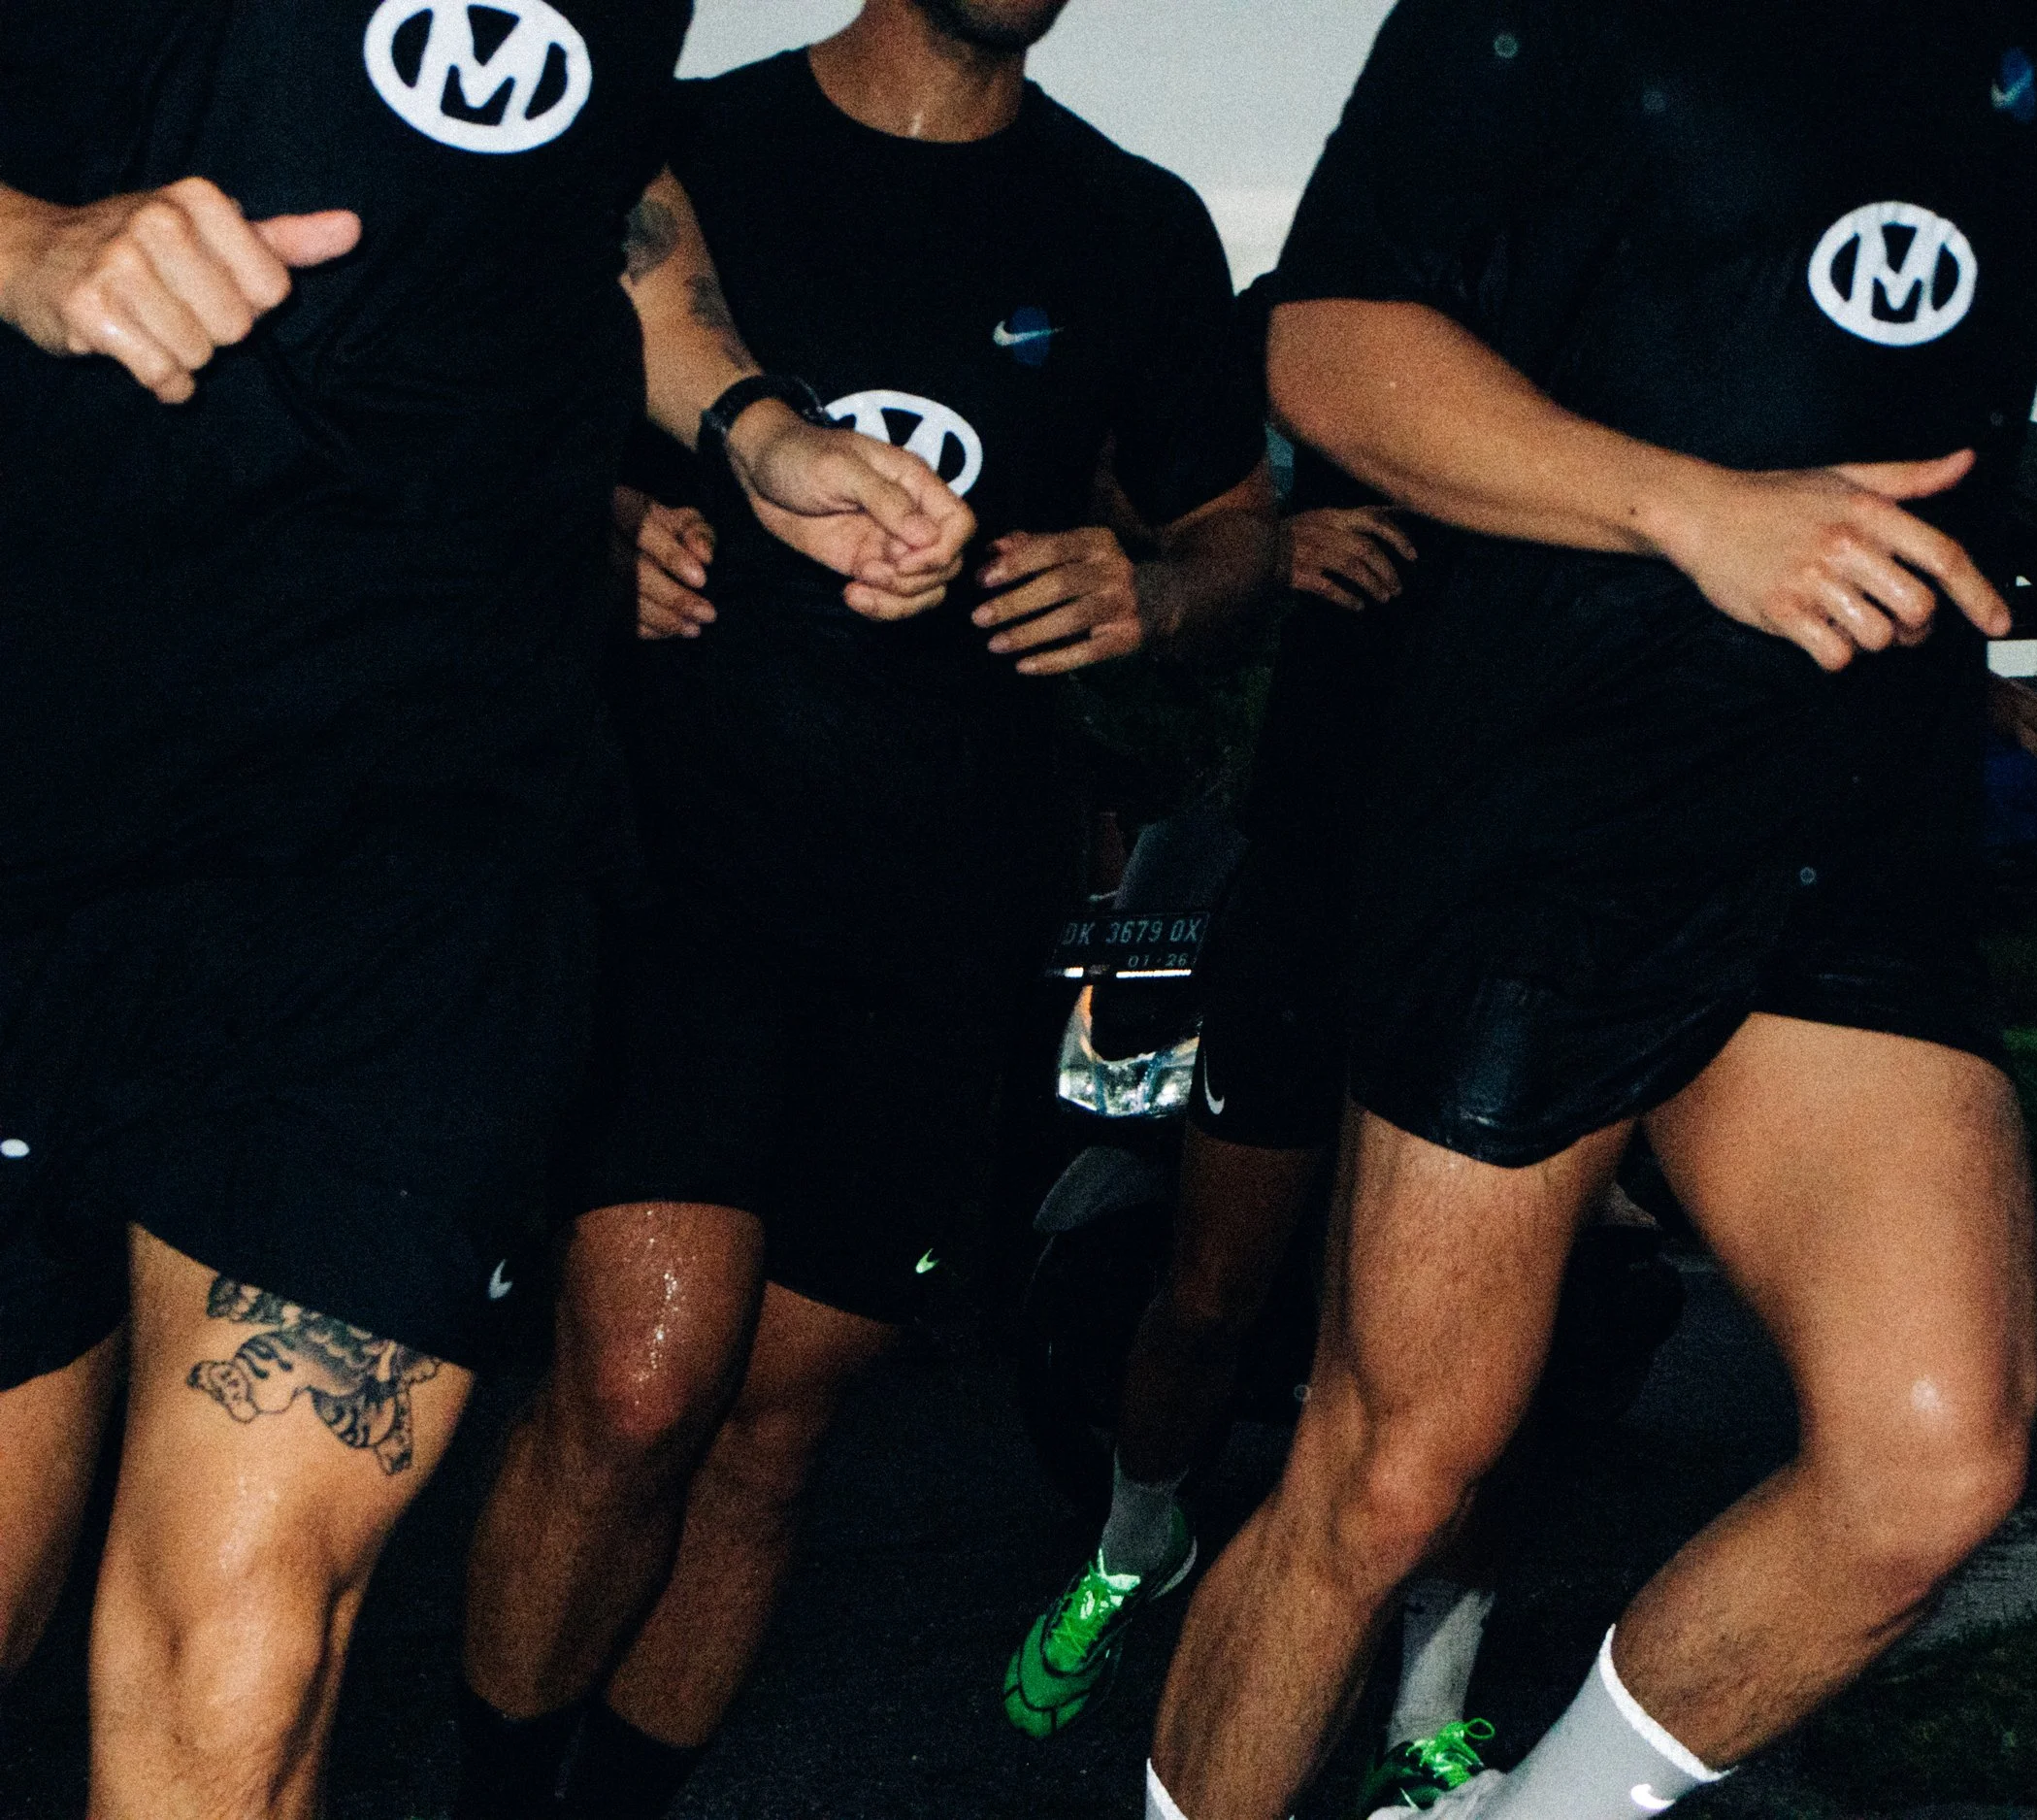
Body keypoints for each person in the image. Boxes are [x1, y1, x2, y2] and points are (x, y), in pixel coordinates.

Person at [1142, 4, 2037, 1818]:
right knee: (1392, 1471)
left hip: (1850, 839)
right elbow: (1329, 350)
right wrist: (1696, 512)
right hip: (1556, 807)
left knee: (1931, 1456)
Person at [0, 0, 970, 1806]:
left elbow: (588, 184)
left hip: (423, 838)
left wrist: (753, 427)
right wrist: (31, 239)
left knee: (245, 1648)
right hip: (45, 775)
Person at [1012, 288, 2037, 1798]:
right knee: (1208, 1291)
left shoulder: (1657, 320)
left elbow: (1726, 572)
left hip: (1544, 894)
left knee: (1470, 1380)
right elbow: (1144, 515)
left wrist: (1966, 693)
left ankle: (1429, 1713)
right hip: (1326, 872)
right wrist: (1265, 556)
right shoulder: (1330, 303)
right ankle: (1138, 1539)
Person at [452, 3, 1275, 1813]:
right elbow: (460, 395)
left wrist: (1153, 584)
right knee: (644, 1386)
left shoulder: (1129, 224)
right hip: (672, 868)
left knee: (766, 1438)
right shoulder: (683, 149)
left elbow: (1238, 530)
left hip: (945, 912)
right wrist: (588, 525)